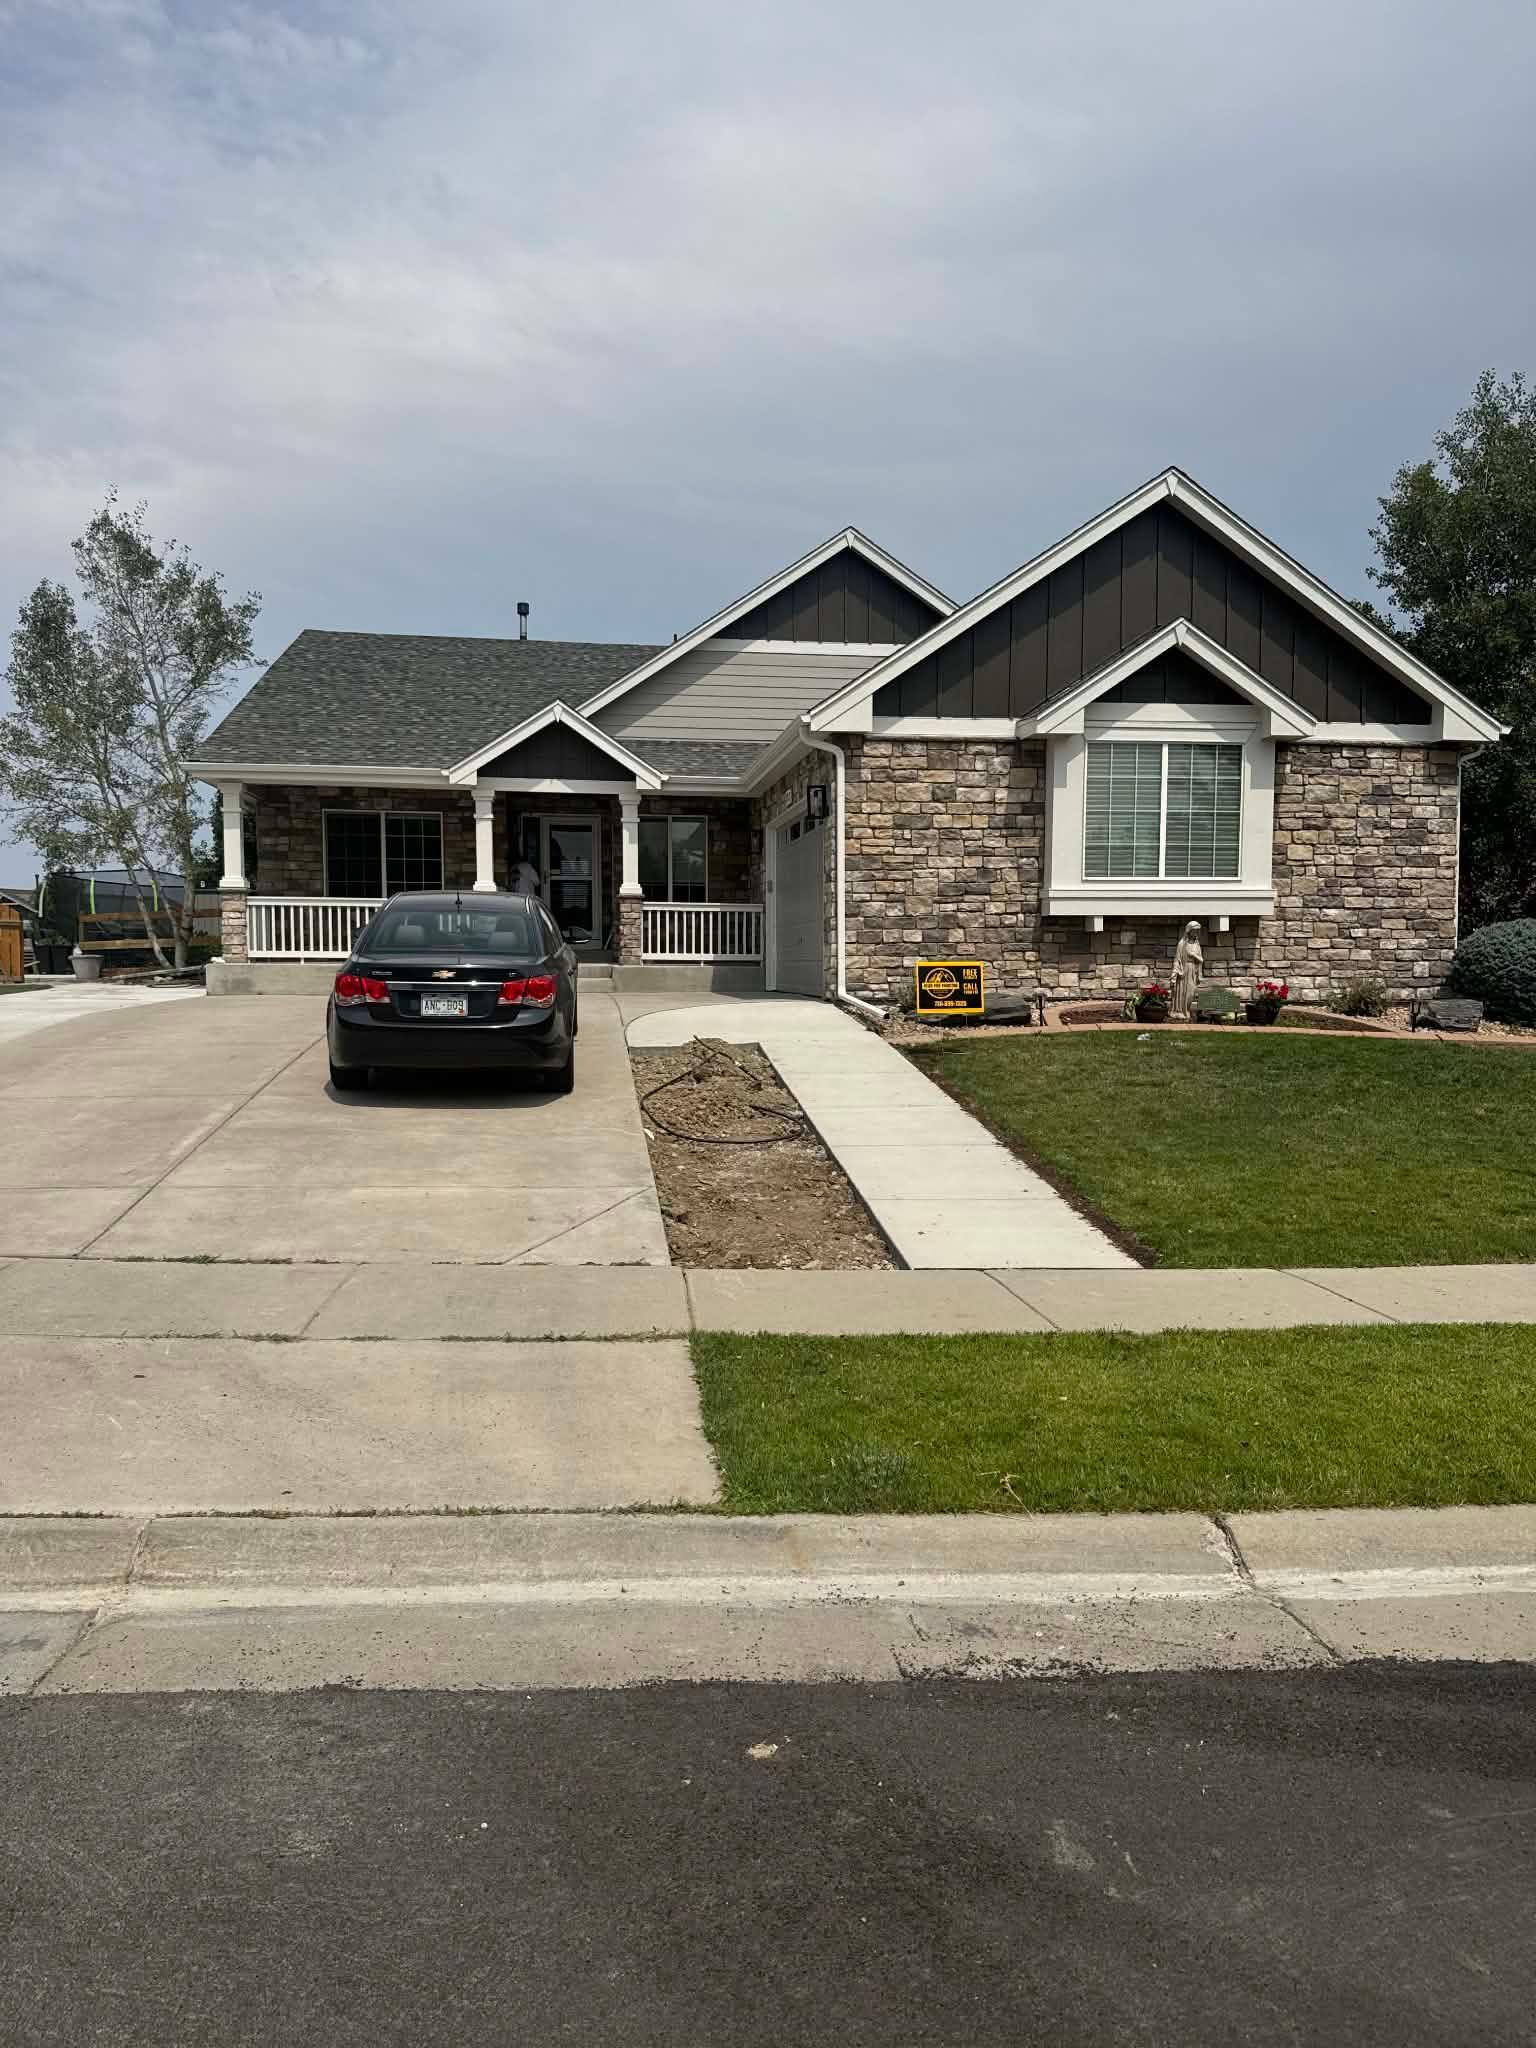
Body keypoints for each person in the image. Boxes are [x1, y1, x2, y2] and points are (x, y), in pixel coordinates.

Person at [1171, 920, 1203, 1020]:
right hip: (1183, 970)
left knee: (1190, 993)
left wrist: (1193, 955)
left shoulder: (1197, 945)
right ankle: (1179, 1011)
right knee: (1181, 992)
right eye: (1195, 931)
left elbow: (1201, 960)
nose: (1196, 933)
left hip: (1193, 970)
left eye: (1198, 931)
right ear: (1189, 931)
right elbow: (1177, 959)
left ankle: (1187, 1009)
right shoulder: (1182, 944)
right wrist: (1174, 973)